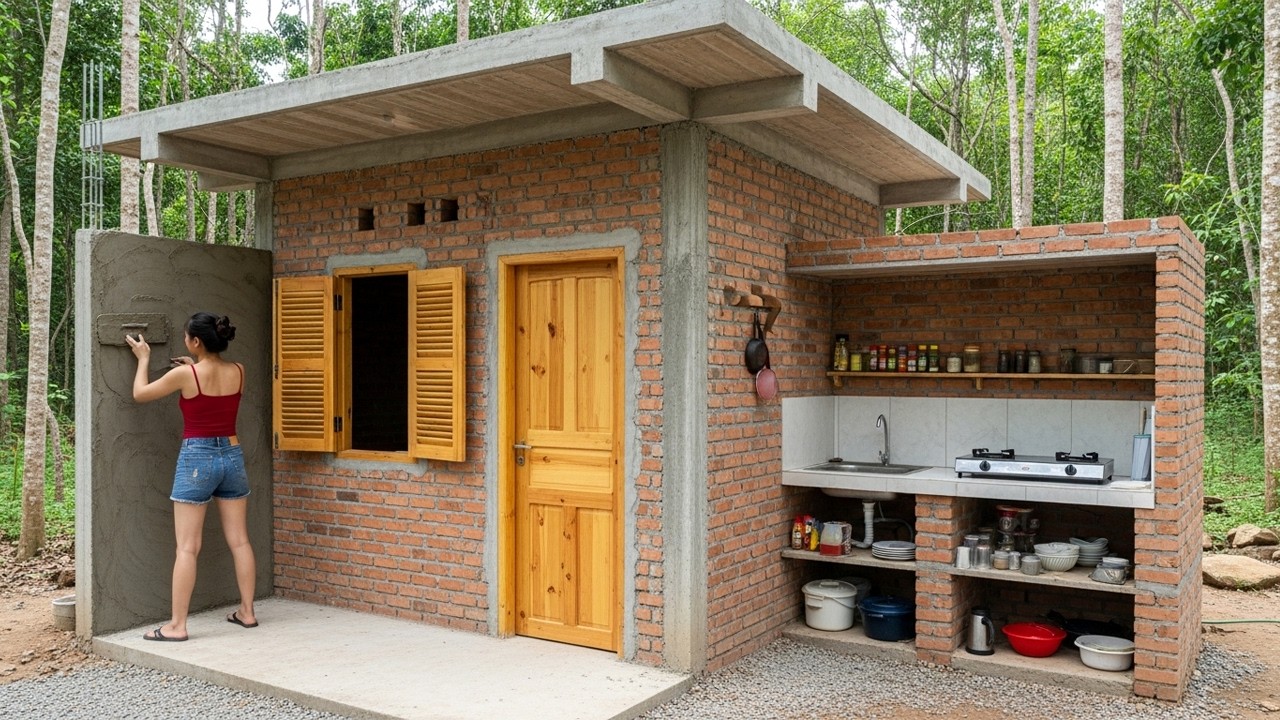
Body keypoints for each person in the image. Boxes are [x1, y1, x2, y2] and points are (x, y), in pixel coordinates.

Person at [125, 312, 258, 641]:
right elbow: (214, 385)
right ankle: (248, 612)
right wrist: (193, 365)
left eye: (187, 337)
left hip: (198, 458)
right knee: (240, 540)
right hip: (232, 453)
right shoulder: (239, 371)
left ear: (196, 341)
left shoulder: (186, 376)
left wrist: (144, 359)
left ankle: (177, 626)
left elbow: (140, 394)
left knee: (187, 547)